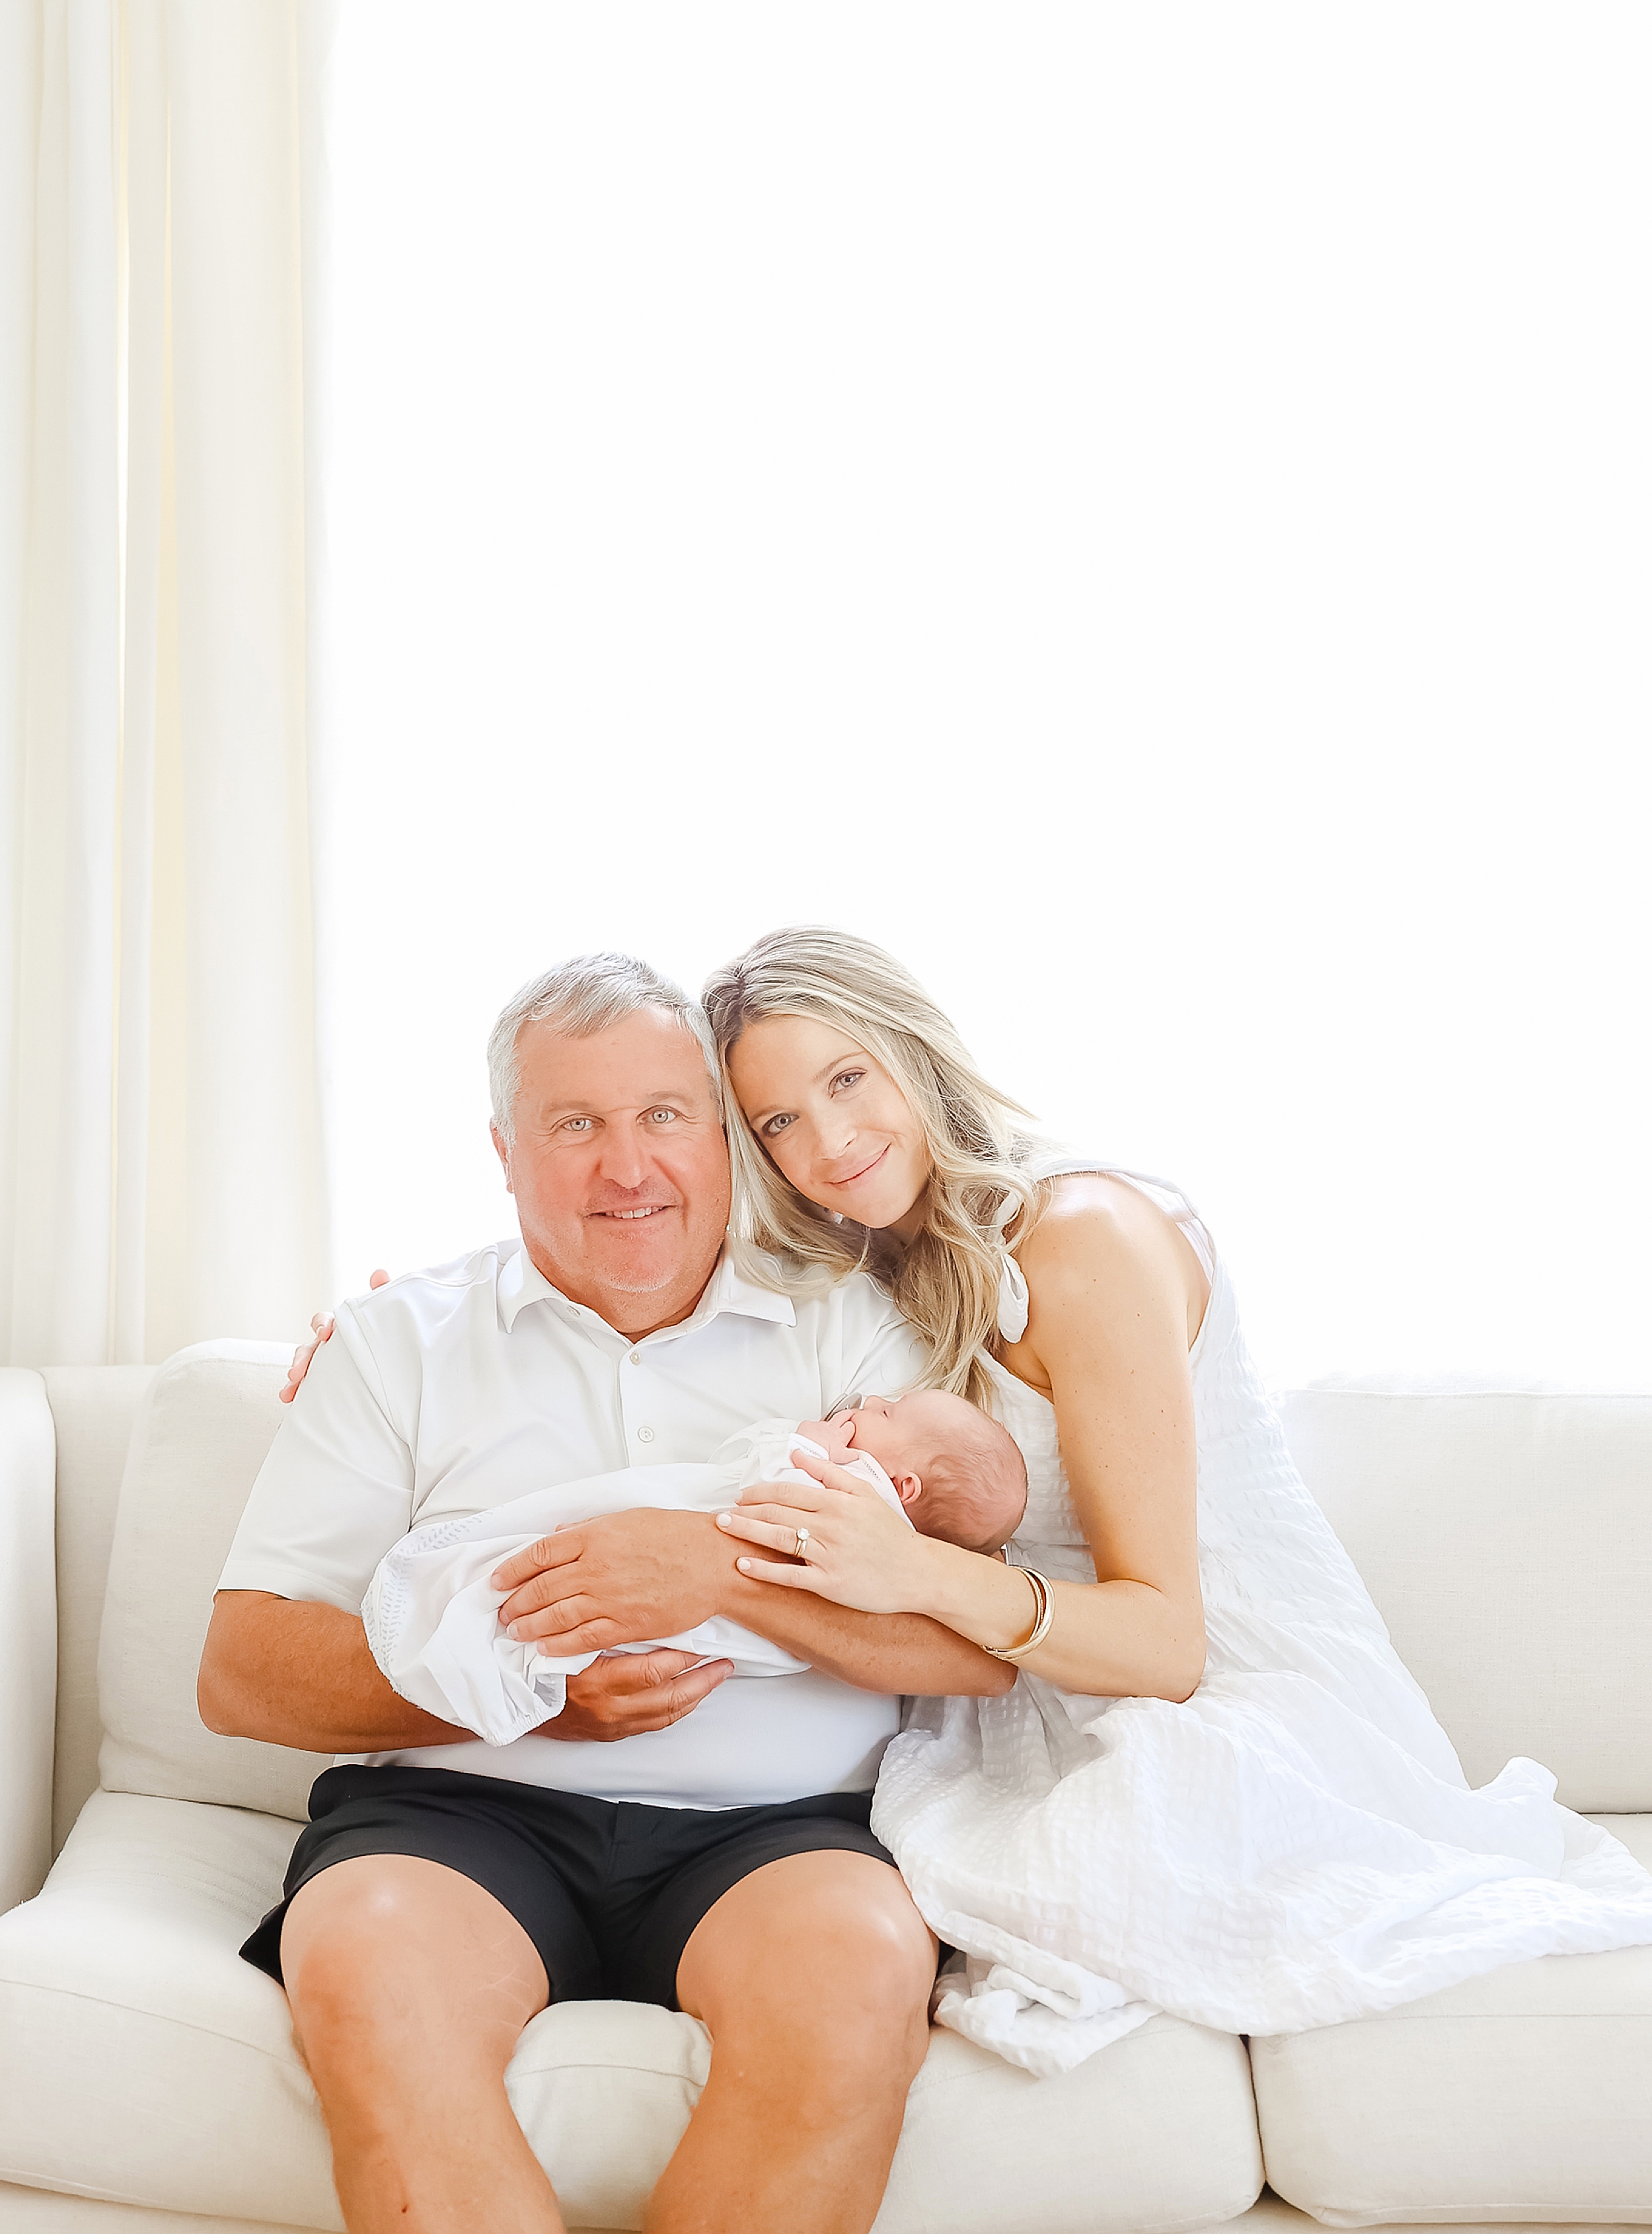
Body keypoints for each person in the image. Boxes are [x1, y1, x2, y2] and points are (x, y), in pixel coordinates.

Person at [692, 926, 1652, 2075]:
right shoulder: (869, 1260)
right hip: (1029, 1669)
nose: (829, 1140)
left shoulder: (1080, 1234)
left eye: (846, 1078)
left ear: (913, 1050)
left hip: (1215, 1674)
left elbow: (1168, 1642)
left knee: (1104, 1858)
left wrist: (920, 1574)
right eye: (777, 1121)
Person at [198, 952, 1014, 2234]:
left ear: (725, 1139)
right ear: (503, 1150)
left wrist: (715, 1577)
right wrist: (540, 1705)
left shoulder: (849, 1333)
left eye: (663, 1117)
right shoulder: (397, 1346)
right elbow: (241, 1667)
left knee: (857, 1965)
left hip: (779, 1829)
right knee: (365, 1956)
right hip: (454, 1815)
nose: (626, 1169)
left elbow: (978, 1647)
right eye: (573, 1125)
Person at [360, 1394, 1028, 1748]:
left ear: (902, 1486)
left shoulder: (852, 1492)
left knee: (541, 1584)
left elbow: (761, 1479)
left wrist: (797, 1440)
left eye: (886, 1415)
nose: (869, 1403)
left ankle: (482, 1648)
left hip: (767, 1803)